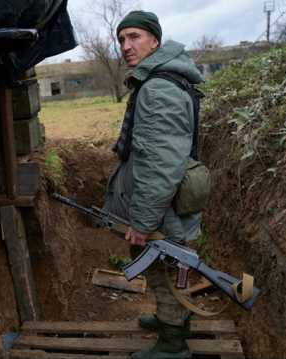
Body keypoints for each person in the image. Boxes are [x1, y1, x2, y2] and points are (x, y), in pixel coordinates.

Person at [103, 10, 205, 359]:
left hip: (165, 205)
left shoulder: (159, 89)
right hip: (171, 200)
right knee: (168, 268)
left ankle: (173, 345)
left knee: (163, 270)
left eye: (135, 37)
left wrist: (142, 221)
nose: (126, 46)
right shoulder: (160, 79)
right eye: (121, 39)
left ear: (155, 40)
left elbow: (160, 165)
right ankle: (171, 321)